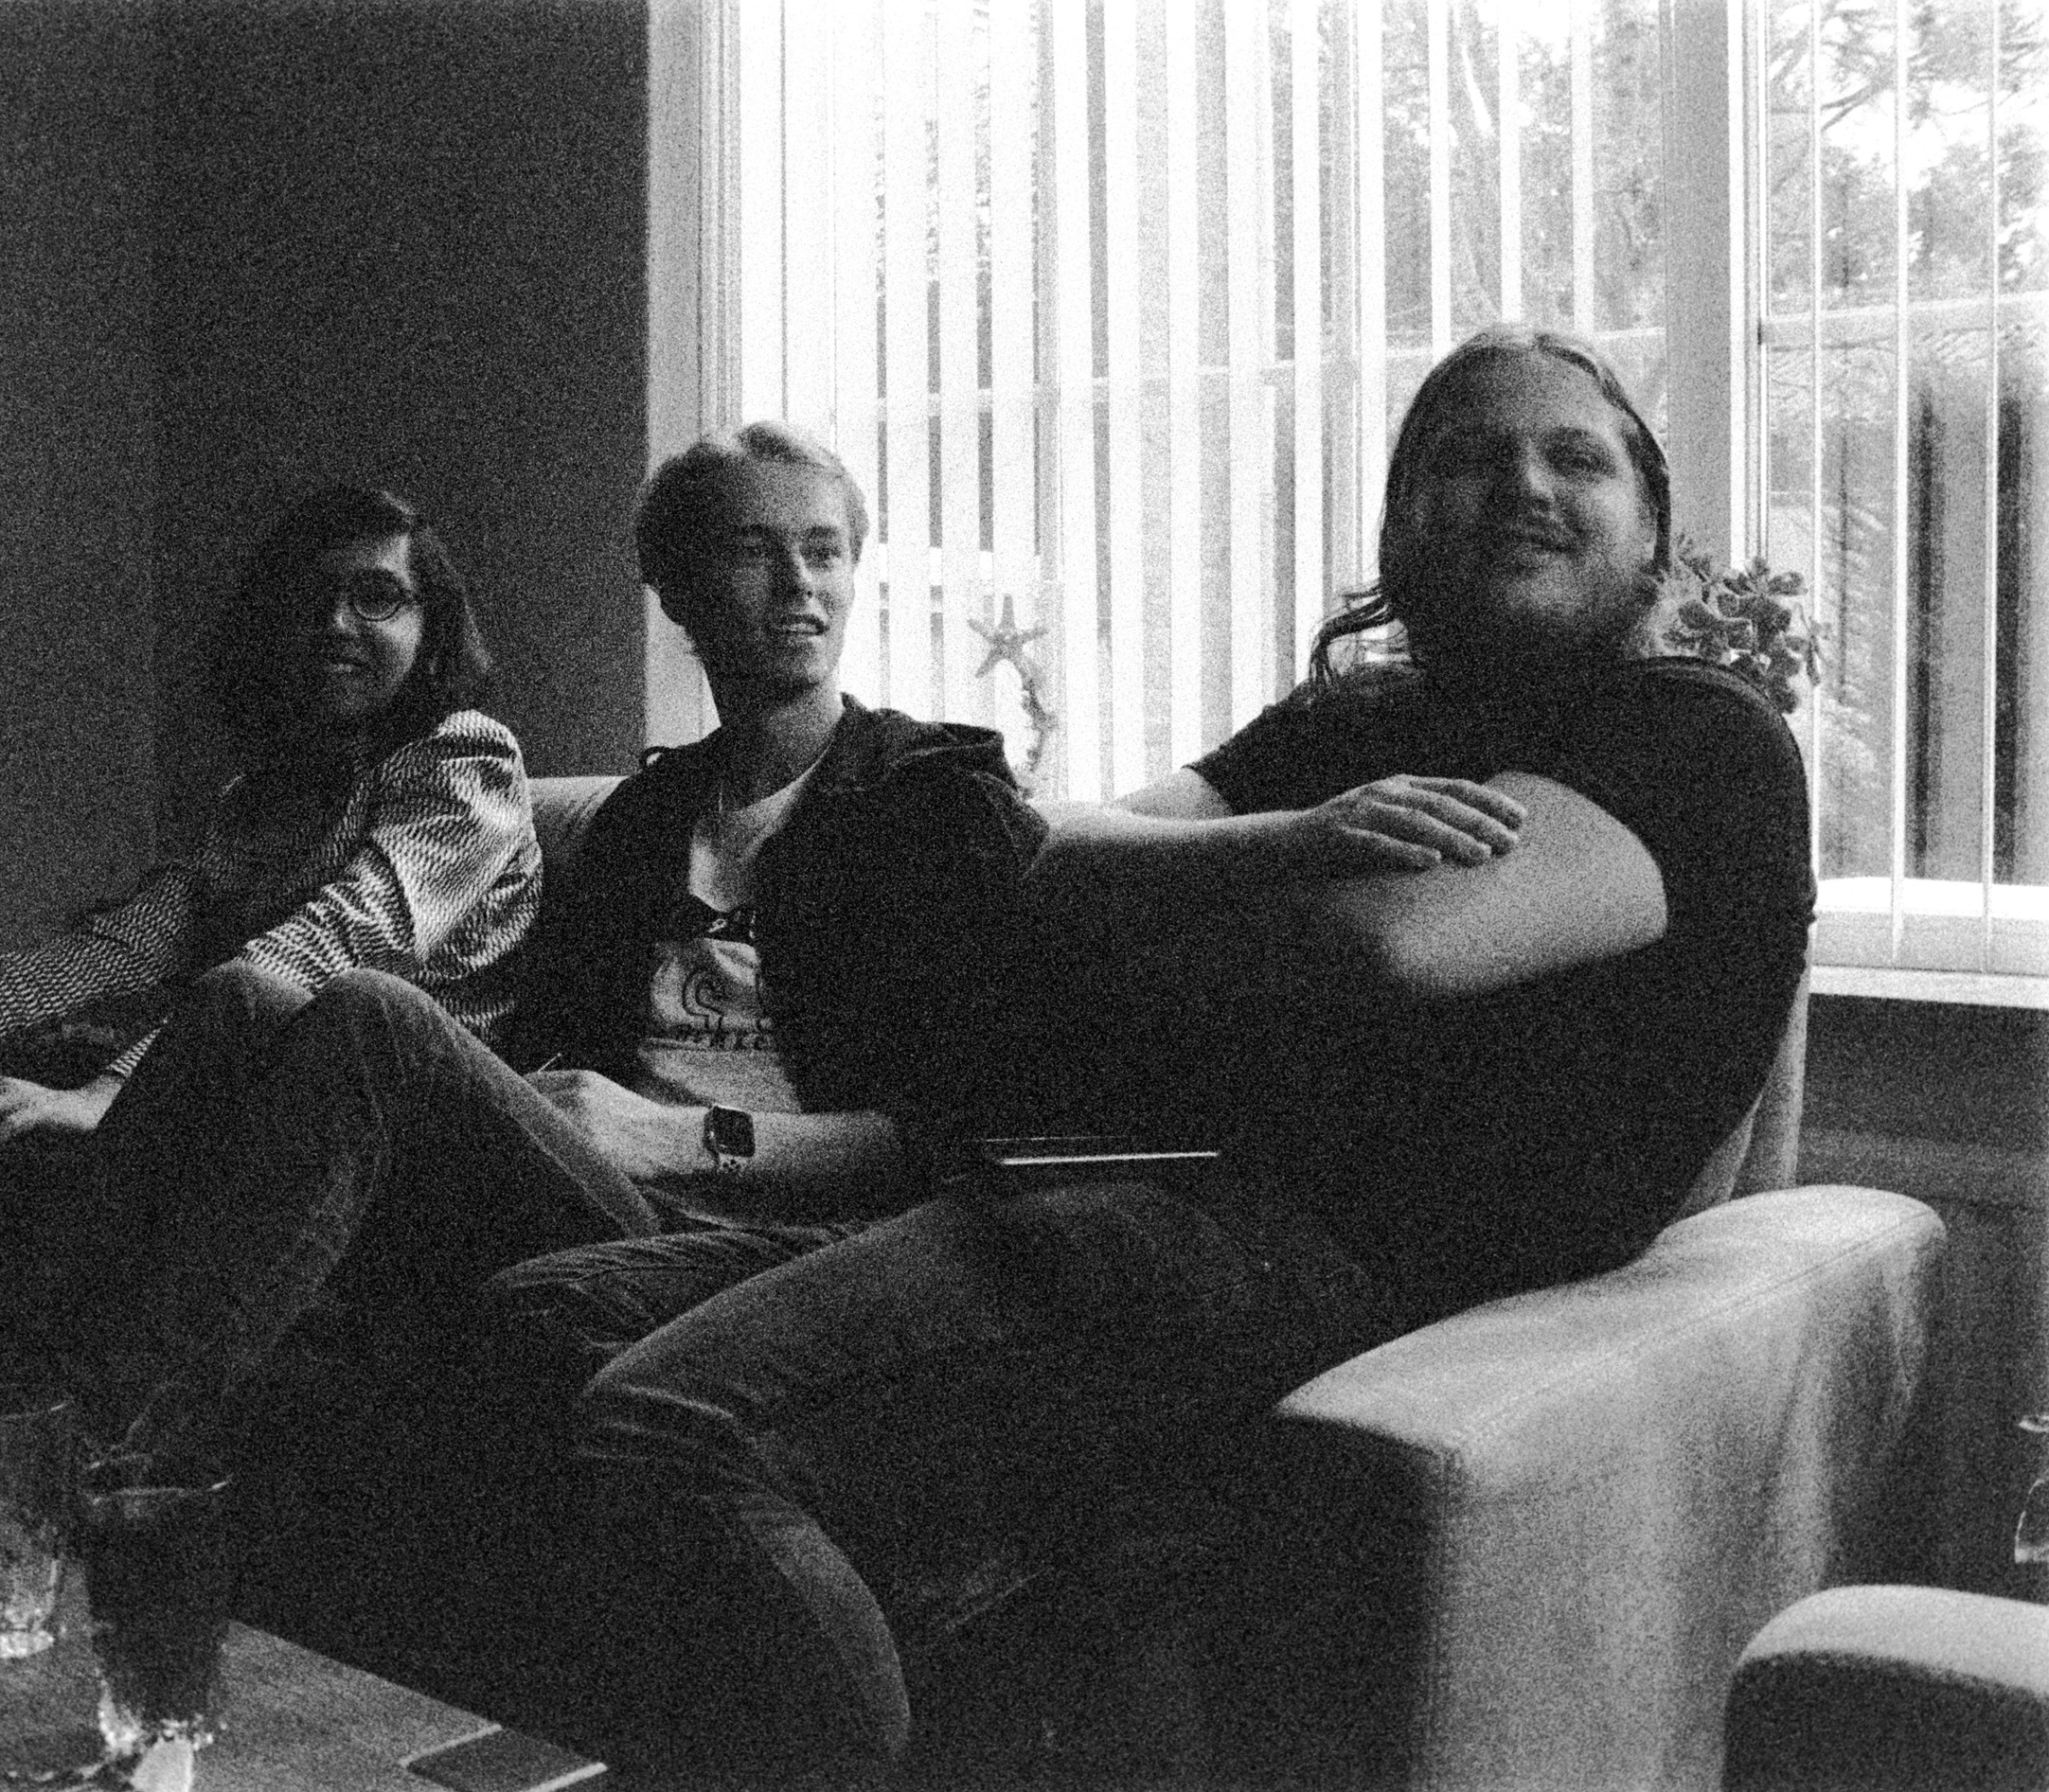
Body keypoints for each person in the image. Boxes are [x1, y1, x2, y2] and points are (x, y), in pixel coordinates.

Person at [493, 325, 1815, 1778]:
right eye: (1467, 456)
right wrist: (1293, 835)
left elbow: (1396, 938)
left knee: (670, 1424)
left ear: (1648, 527)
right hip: (1118, 1191)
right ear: (1399, 522)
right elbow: (1038, 855)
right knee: (540, 1317)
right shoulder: (1352, 726)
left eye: (1574, 457)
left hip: (1321, 1253)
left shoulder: (1692, 732)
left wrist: (1183, 896)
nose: (1521, 485)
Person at [39, 420, 1041, 1498]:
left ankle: (86, 1457)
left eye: (823, 550)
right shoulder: (645, 818)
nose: (799, 583)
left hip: (777, 1230)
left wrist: (681, 1133)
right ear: (677, 590)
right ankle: (21, 1387)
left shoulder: (933, 805)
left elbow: (956, 1130)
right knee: (244, 997)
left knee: (372, 1013)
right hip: (603, 1193)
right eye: (754, 550)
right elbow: (551, 1049)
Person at [0, 485, 540, 1475]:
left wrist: (119, 1092)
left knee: (233, 1008)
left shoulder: (465, 760)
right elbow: (120, 946)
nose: (336, 623)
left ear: (431, 626)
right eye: (312, 597)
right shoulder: (262, 796)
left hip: (395, 1125)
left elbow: (339, 942)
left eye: (377, 597)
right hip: (244, 1084)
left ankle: (70, 1448)